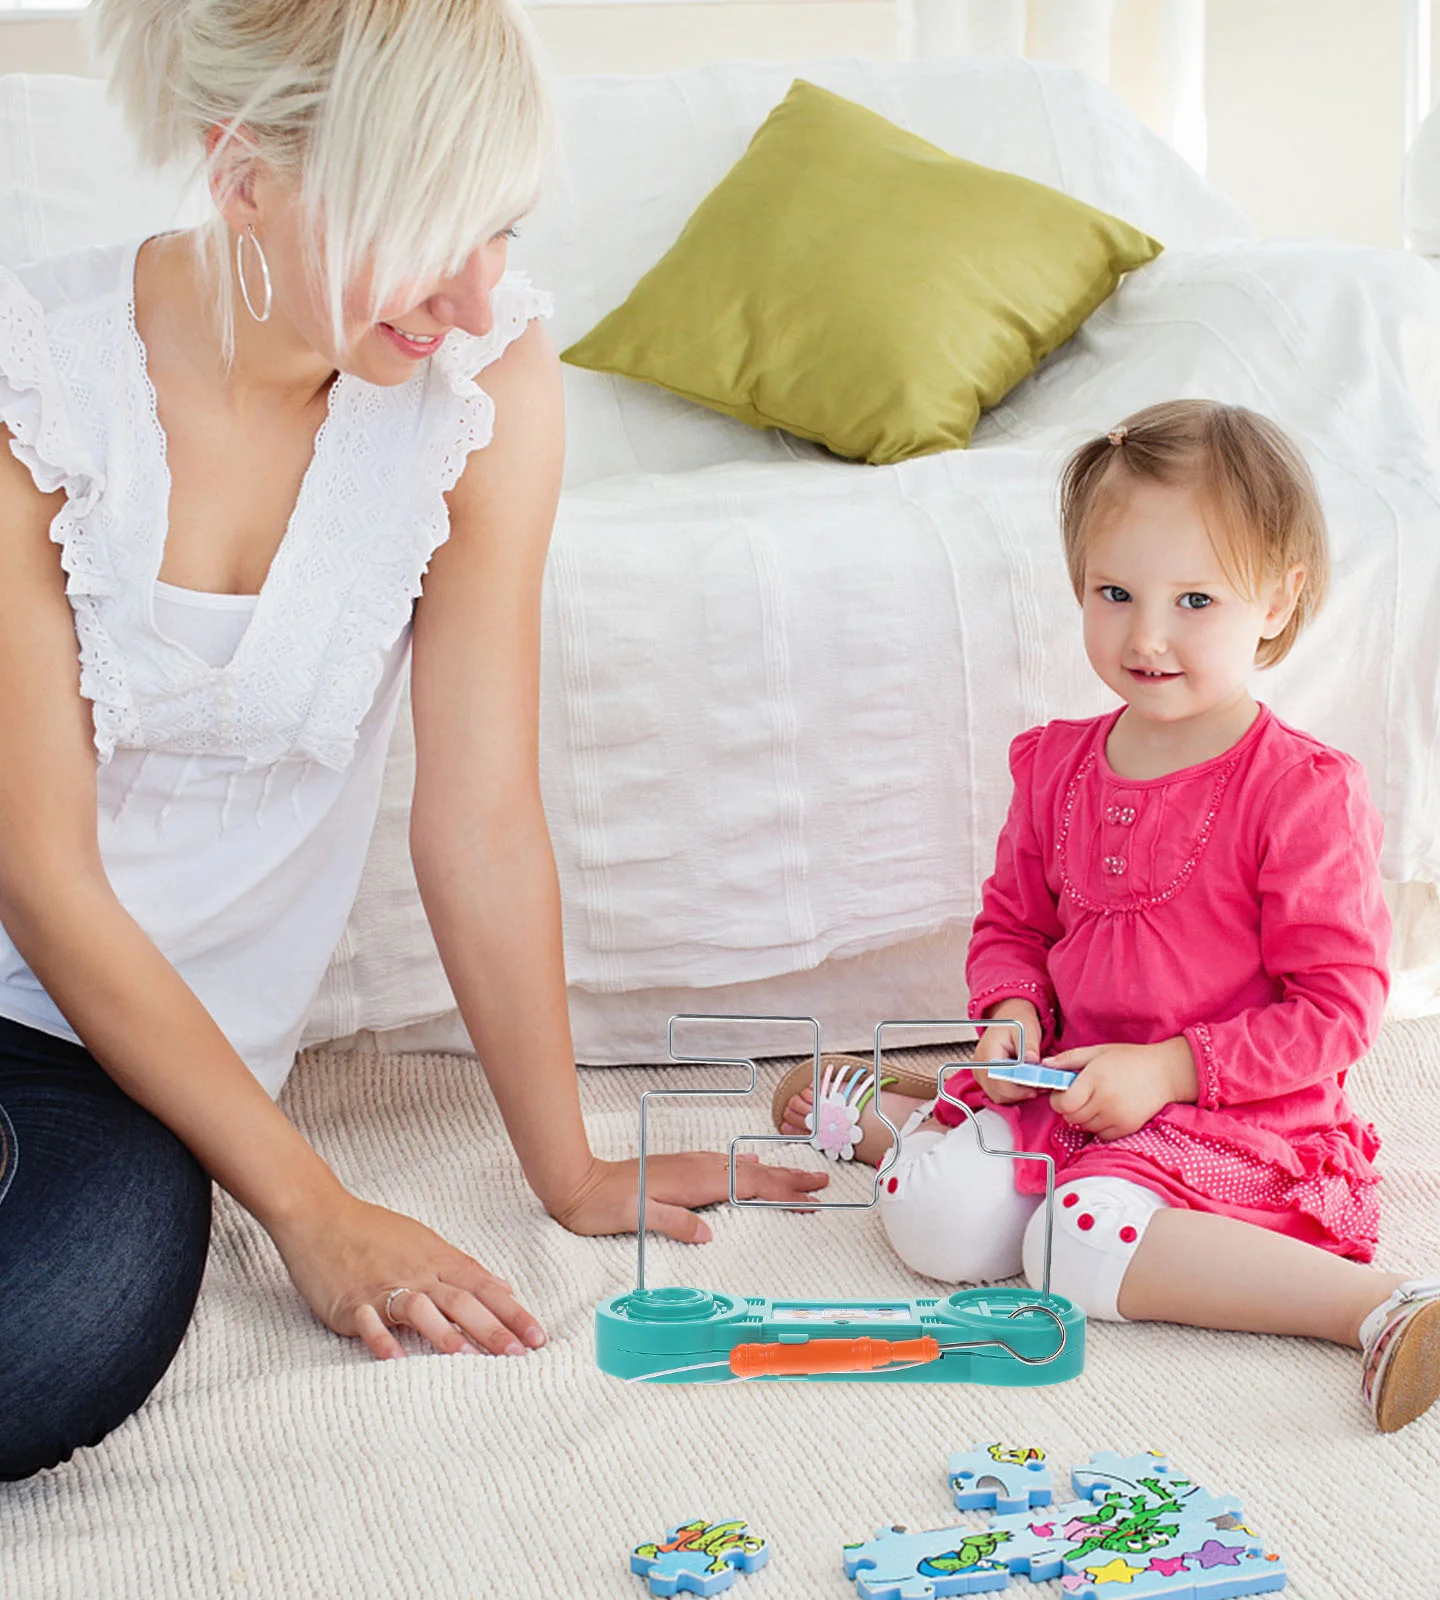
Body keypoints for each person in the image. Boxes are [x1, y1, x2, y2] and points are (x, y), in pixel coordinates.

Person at [0, 0, 823, 1482]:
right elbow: (43, 878)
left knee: (64, 1311)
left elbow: (482, 815)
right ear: (242, 173)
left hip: (93, 1079)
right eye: (426, 227)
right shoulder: (31, 391)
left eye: (497, 225)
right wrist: (315, 1212)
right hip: (26, 970)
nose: (473, 286)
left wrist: (564, 1166)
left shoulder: (482, 383)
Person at [777, 399, 1440, 1432]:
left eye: (1195, 599)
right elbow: (1011, 930)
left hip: (1229, 1112)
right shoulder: (1057, 764)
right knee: (938, 1224)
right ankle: (886, 1118)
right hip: (1068, 1090)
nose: (1147, 634)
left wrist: (1167, 1069)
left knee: (1066, 1245)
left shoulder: (1300, 790)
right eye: (1113, 592)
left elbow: (1336, 1011)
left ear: (1276, 600)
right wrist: (1013, 1014)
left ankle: (1386, 1309)